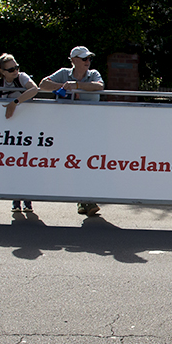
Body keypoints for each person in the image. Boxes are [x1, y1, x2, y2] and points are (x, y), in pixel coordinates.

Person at [39, 46, 105, 217]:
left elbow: (99, 86)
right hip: (67, 128)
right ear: (74, 60)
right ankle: (84, 199)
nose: (88, 62)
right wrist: (64, 86)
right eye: (84, 59)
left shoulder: (94, 74)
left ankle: (86, 199)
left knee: (90, 162)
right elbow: (43, 84)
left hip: (90, 127)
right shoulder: (63, 73)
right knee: (75, 162)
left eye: (89, 59)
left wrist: (76, 86)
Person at [0, 53, 39, 212]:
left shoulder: (21, 77)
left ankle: (27, 200)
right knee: (11, 165)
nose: (15, 71)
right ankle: (15, 200)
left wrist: (14, 103)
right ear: (2, 71)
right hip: (7, 132)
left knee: (26, 164)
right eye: (11, 69)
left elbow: (34, 89)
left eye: (17, 67)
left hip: (26, 130)